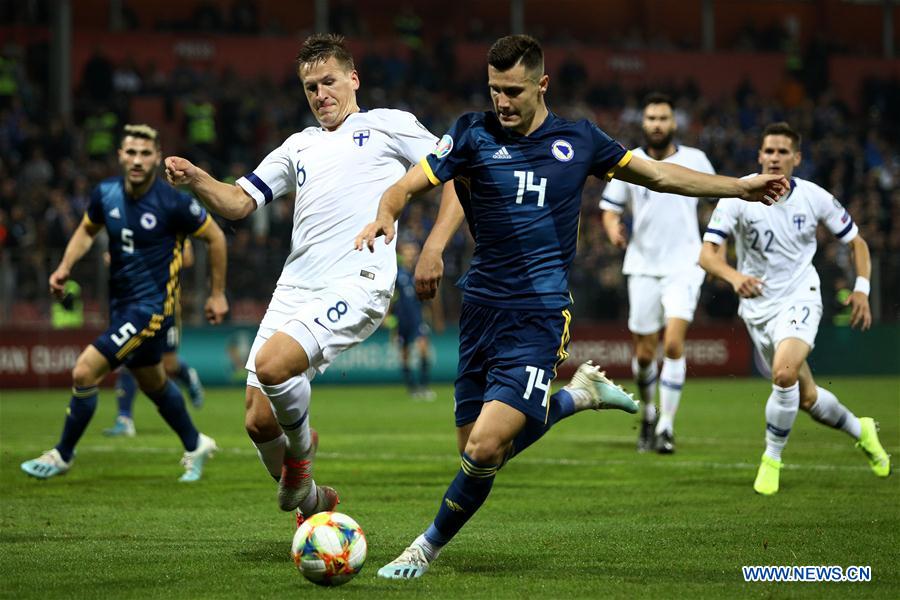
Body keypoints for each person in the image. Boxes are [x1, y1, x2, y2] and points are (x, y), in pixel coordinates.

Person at [355, 34, 788, 579]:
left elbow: (657, 174)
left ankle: (423, 547)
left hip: (538, 314)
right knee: (473, 449)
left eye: (513, 91)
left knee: (487, 449)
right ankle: (577, 397)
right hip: (480, 310)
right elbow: (407, 184)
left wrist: (738, 187)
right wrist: (386, 214)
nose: (502, 103)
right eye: (494, 90)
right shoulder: (470, 132)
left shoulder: (579, 140)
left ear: (542, 84)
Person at [163, 33, 455, 521]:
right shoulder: (298, 146)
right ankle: (317, 501)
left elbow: (455, 174)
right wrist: (196, 178)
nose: (320, 94)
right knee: (258, 421)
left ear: (353, 79)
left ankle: (301, 456)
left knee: (276, 367)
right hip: (295, 286)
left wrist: (434, 248)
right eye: (310, 87)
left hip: (358, 280)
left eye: (329, 82)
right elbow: (238, 202)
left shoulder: (389, 125)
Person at [21, 124, 229, 482]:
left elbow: (215, 237)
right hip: (121, 305)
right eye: (130, 152)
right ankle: (196, 443)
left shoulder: (173, 202)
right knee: (153, 382)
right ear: (120, 155)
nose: (137, 160)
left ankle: (62, 454)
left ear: (157, 157)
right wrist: (64, 267)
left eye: (145, 153)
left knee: (84, 371)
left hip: (151, 309)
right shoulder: (106, 194)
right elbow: (87, 230)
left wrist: (216, 293)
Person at [699, 121, 891, 495]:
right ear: (759, 156)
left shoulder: (815, 197)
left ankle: (772, 459)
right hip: (757, 308)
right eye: (768, 150)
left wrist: (862, 289)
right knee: (806, 397)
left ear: (796, 158)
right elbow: (707, 256)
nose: (774, 157)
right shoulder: (737, 196)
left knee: (783, 374)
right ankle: (860, 429)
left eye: (782, 151)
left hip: (801, 295)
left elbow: (858, 243)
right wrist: (734, 277)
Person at [600, 92, 716, 454]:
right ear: (644, 122)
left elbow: (718, 203)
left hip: (685, 264)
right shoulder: (630, 161)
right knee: (646, 354)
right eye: (651, 118)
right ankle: (648, 413)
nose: (657, 124)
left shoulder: (696, 159)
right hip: (643, 265)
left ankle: (666, 427)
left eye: (663, 118)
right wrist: (612, 229)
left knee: (674, 344)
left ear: (674, 123)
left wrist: (716, 246)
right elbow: (609, 208)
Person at [104, 238, 206, 438]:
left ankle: (186, 374)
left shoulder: (172, 223)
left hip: (165, 307)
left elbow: (187, 258)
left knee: (168, 365)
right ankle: (124, 419)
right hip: (134, 305)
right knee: (128, 358)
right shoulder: (128, 224)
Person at [393, 241, 435, 399]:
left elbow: (426, 301)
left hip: (417, 318)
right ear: (402, 254)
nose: (410, 254)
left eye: (412, 251)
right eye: (407, 251)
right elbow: (391, 298)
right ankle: (412, 388)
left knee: (424, 349)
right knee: (404, 354)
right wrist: (389, 319)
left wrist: (429, 318)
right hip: (402, 319)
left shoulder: (419, 273)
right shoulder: (397, 274)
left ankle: (424, 387)